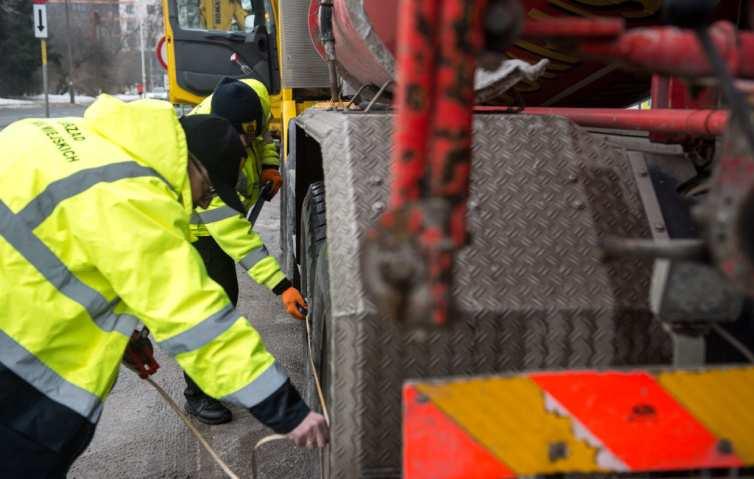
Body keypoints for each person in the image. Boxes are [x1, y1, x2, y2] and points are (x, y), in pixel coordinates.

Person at [0, 95, 328, 478]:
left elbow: (60, 254)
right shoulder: (134, 196)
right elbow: (195, 317)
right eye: (205, 191)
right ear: (194, 166)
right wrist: (285, 409)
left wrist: (125, 336)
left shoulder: (58, 136)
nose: (200, 201)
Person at [181, 77, 304, 425]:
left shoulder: (254, 96)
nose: (246, 142)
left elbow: (263, 133)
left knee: (224, 299)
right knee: (211, 304)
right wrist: (282, 286)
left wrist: (268, 163)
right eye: (240, 139)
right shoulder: (200, 155)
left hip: (220, 209)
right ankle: (197, 394)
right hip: (198, 229)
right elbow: (236, 238)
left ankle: (210, 379)